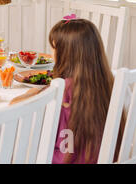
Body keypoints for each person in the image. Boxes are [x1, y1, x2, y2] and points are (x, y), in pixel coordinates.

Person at [48, 17, 125, 164]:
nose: (51, 54)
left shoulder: (63, 89)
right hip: (104, 157)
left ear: (66, 53)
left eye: (54, 48)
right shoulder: (107, 81)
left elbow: (54, 140)